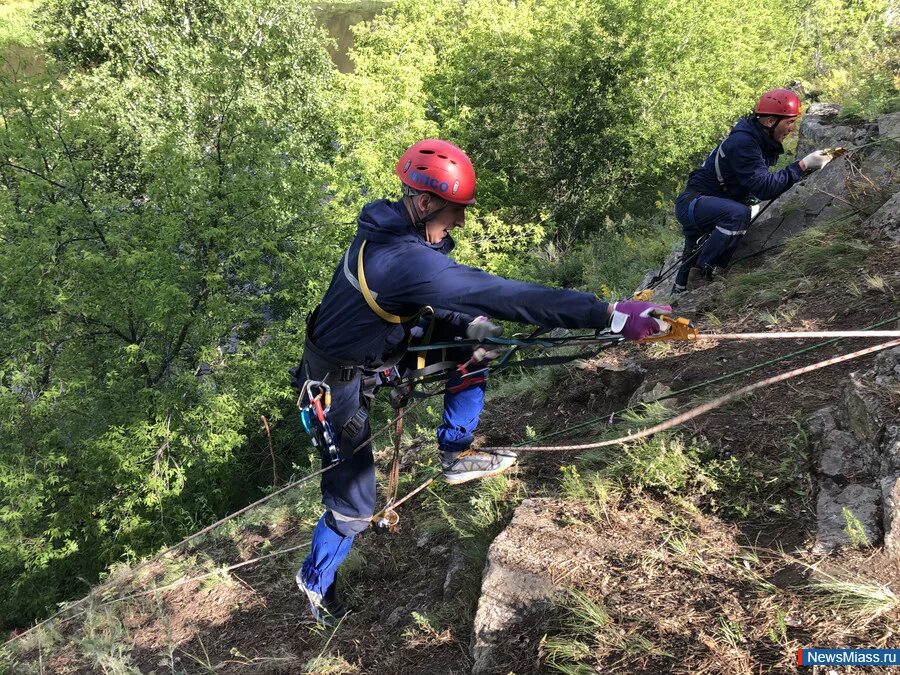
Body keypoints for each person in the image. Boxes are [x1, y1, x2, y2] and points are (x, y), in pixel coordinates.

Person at [291, 138, 672, 624]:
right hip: (333, 389)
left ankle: (455, 453)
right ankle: (315, 583)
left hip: (379, 354)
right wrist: (606, 314)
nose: (462, 222)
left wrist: (462, 325)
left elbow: (439, 296)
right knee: (354, 506)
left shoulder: (394, 228)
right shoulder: (401, 259)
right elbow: (496, 293)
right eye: (456, 210)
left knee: (476, 347)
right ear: (425, 202)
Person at [671, 88, 834, 292]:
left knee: (690, 260)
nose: (792, 128)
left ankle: (679, 295)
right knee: (738, 215)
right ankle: (703, 274)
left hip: (705, 203)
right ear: (770, 121)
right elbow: (764, 187)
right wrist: (801, 166)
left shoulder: (756, 138)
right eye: (790, 122)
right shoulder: (744, 143)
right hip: (696, 203)